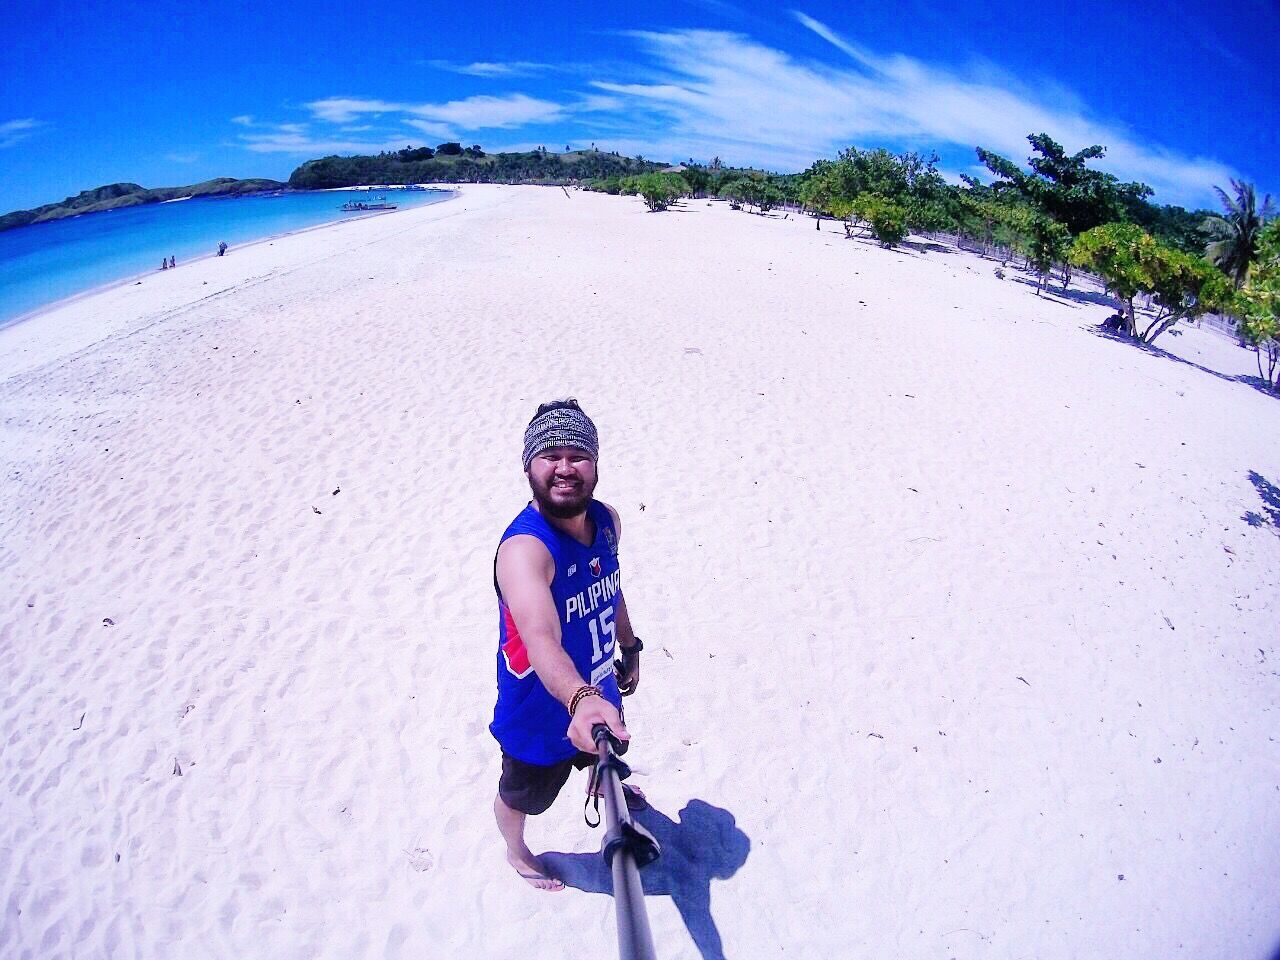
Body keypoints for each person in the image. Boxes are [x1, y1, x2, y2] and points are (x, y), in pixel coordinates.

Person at [490, 399, 645, 891]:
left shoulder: (608, 522)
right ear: (528, 467)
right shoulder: (525, 551)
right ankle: (517, 853)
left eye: (577, 454)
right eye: (549, 455)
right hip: (542, 712)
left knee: (606, 756)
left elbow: (611, 585)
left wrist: (630, 646)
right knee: (522, 797)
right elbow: (541, 639)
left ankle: (601, 778)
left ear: (595, 464)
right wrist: (580, 699)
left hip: (599, 693)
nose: (564, 467)